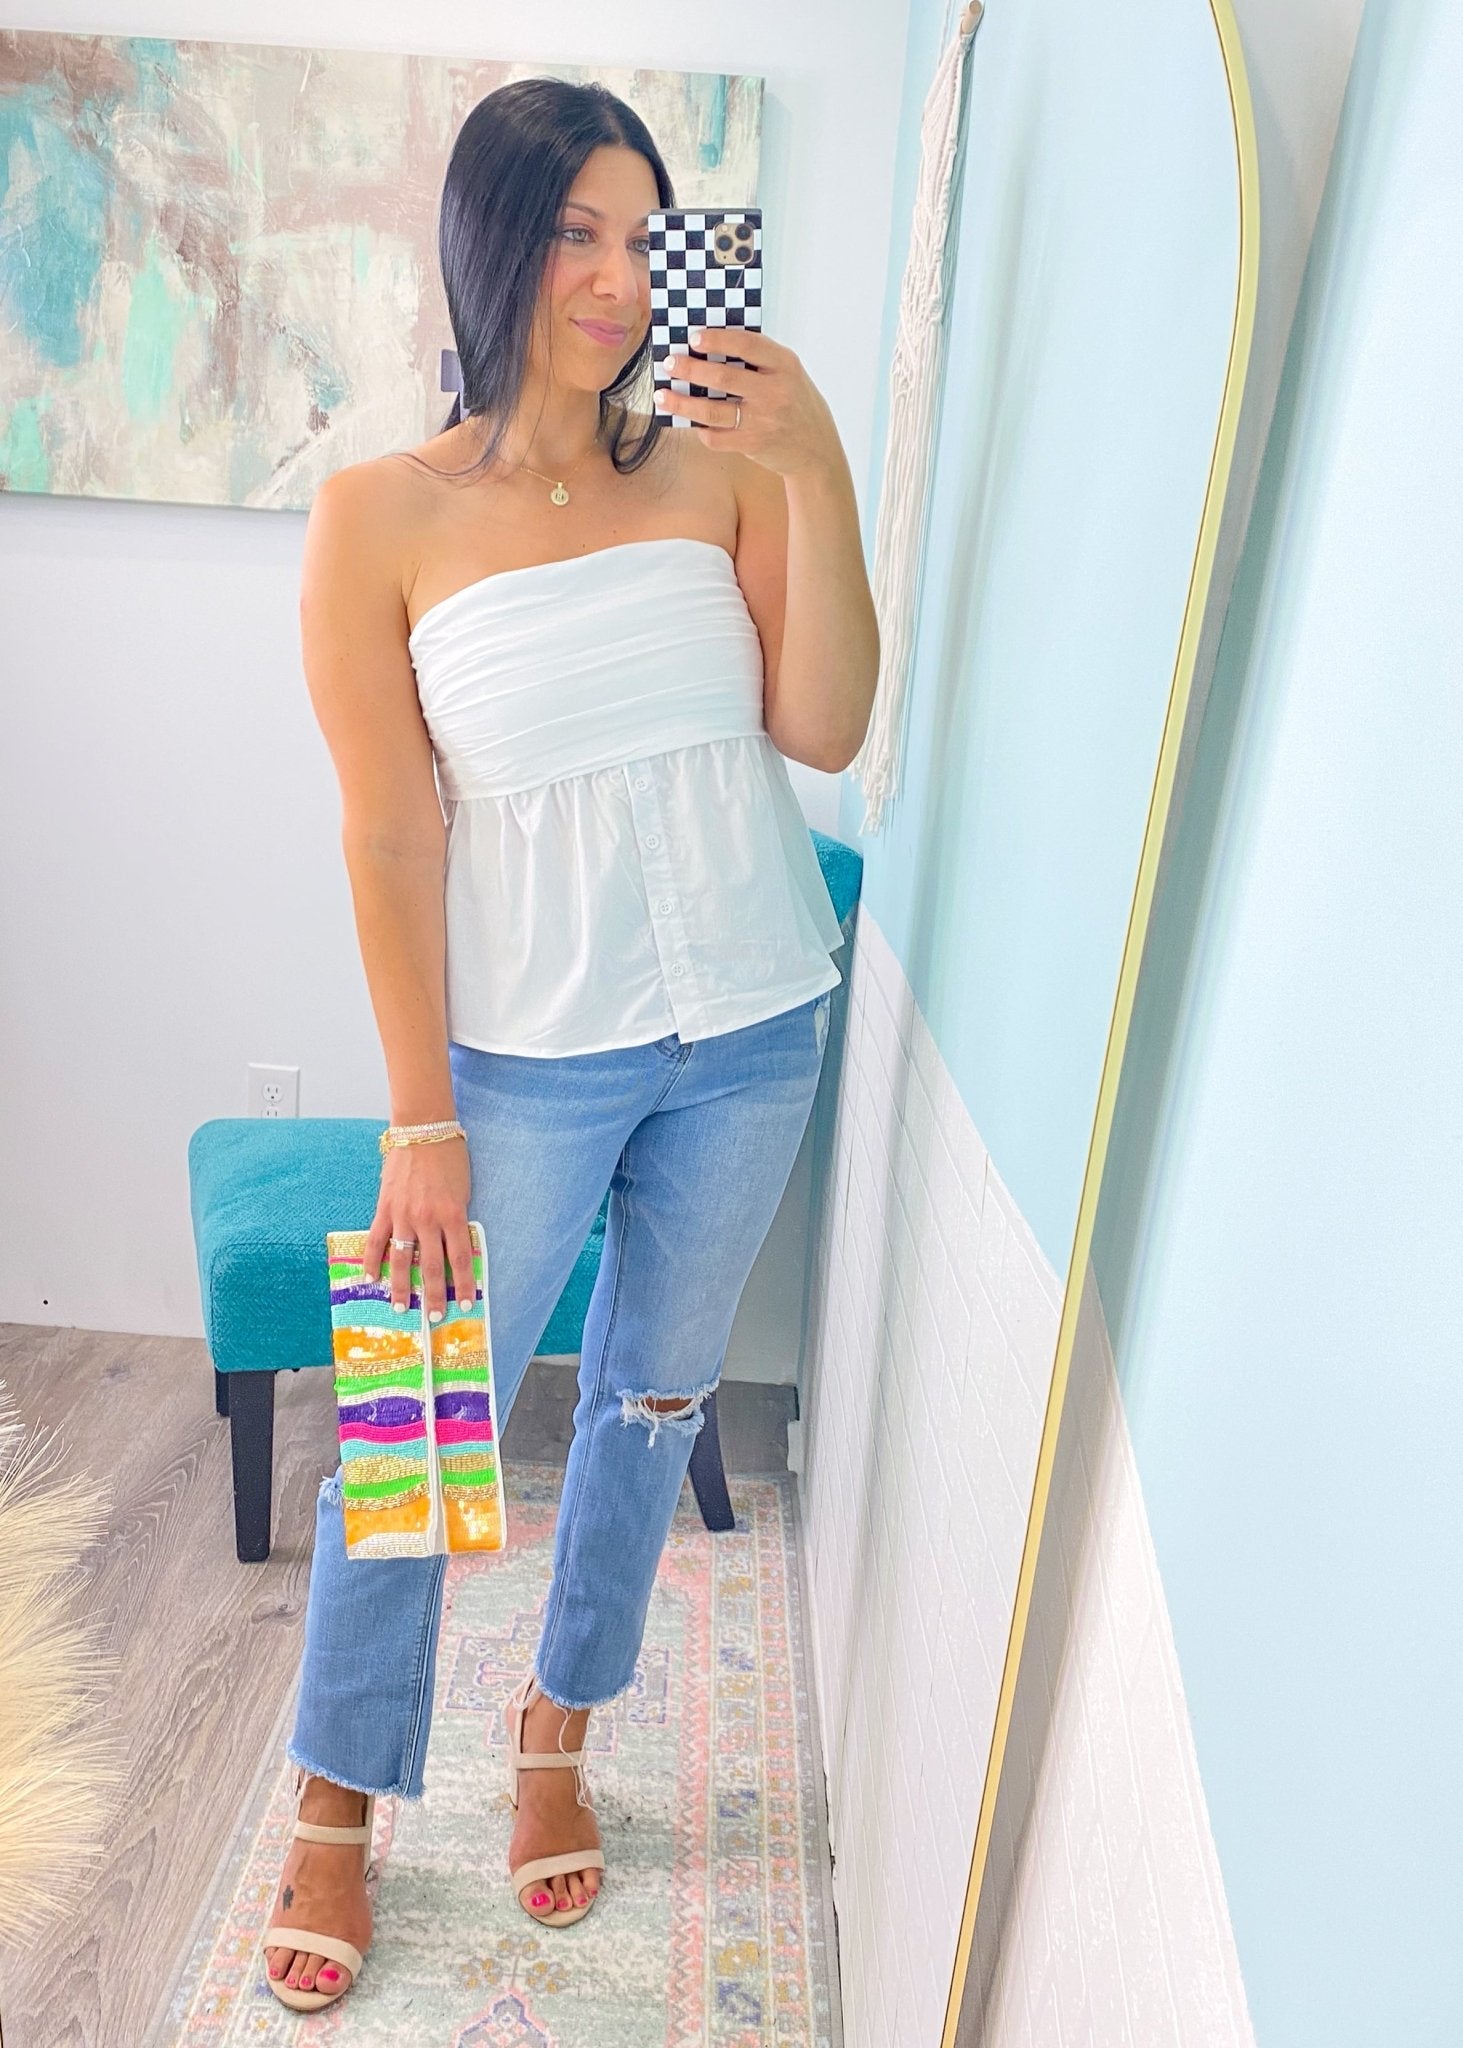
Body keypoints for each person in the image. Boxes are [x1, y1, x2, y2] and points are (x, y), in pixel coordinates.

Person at [261, 75, 878, 2011]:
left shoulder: (718, 472)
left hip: (752, 1027)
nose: (614, 279)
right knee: (413, 1418)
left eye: (640, 235)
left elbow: (827, 725)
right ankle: (336, 1799)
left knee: (653, 1401)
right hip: (522, 1059)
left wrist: (818, 467)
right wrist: (418, 1120)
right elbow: (388, 833)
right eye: (573, 234)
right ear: (494, 241)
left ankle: (558, 1727)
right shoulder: (376, 516)